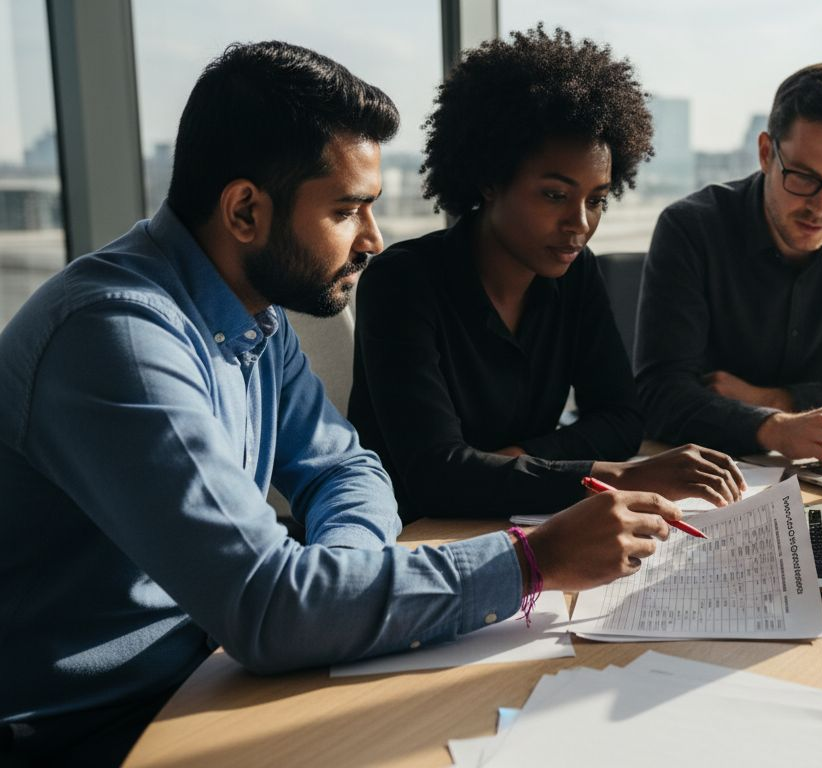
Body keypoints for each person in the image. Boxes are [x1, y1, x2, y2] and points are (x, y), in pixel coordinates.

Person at [0, 41, 680, 766]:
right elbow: (270, 608)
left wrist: (331, 591)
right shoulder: (117, 337)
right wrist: (529, 562)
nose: (372, 240)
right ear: (243, 211)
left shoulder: (258, 316)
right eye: (347, 210)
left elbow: (347, 471)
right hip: (86, 731)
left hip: (213, 674)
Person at [347, 26, 745, 524]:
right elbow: (435, 474)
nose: (580, 225)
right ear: (490, 180)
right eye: (555, 195)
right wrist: (617, 476)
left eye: (596, 200)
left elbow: (622, 419)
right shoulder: (402, 283)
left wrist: (517, 462)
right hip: (418, 540)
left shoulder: (573, 273)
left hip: (530, 525)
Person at [635, 62, 822, 470]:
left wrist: (776, 401)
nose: (820, 206)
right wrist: (775, 427)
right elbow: (659, 395)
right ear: (767, 153)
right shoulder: (691, 227)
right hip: (712, 472)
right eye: (802, 177)